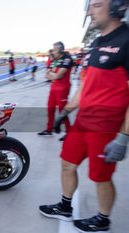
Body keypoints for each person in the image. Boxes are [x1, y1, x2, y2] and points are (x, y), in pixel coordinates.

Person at [39, 0, 129, 232]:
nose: (89, 12)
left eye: (96, 5)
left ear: (117, 7)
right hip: (83, 120)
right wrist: (67, 111)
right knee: (67, 164)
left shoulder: (127, 41)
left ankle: (103, 219)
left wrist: (122, 137)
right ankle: (65, 206)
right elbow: (85, 86)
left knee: (100, 176)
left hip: (106, 125)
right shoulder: (97, 43)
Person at [38, 41, 73, 140]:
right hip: (53, 88)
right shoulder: (55, 60)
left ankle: (69, 132)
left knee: (62, 111)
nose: (52, 52)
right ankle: (49, 130)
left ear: (60, 50)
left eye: (54, 50)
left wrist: (53, 75)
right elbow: (47, 75)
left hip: (62, 89)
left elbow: (58, 75)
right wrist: (53, 76)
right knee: (50, 109)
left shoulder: (67, 59)